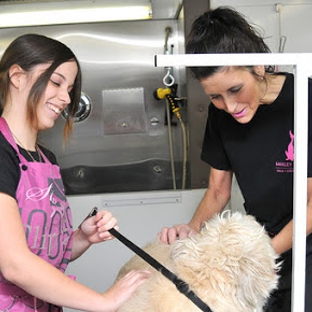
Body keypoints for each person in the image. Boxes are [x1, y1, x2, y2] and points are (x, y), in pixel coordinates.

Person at [159, 6, 312, 312]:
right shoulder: (221, 116)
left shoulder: (305, 101)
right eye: (215, 96)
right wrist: (191, 233)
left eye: (235, 89)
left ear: (258, 66)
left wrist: (262, 255)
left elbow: (311, 202)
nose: (229, 106)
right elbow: (218, 191)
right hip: (262, 251)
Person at [0, 33, 150, 311]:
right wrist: (103, 301)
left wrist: (81, 237)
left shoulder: (47, 159)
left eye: (69, 88)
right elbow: (14, 263)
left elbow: (45, 254)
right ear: (18, 77)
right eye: (56, 82)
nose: (66, 97)